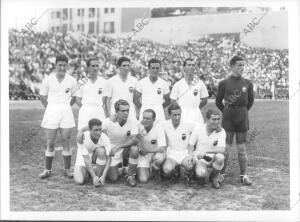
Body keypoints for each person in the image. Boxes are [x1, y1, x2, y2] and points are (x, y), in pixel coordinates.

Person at [77, 99, 139, 187]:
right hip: (111, 150)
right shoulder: (109, 121)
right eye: (123, 111)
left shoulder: (132, 120)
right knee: (113, 178)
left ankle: (130, 176)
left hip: (124, 148)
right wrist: (81, 130)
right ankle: (118, 168)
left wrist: (119, 146)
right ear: (116, 111)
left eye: (127, 110)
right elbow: (94, 126)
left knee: (135, 149)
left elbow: (134, 139)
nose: (126, 113)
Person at [215, 55, 254, 186]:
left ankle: (244, 175)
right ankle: (221, 174)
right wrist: (226, 111)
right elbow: (217, 101)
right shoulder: (224, 83)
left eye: (243, 65)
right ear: (232, 66)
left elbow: (250, 102)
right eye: (239, 65)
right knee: (225, 148)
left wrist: (241, 111)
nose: (241, 68)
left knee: (242, 149)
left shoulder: (248, 83)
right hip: (228, 119)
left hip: (242, 118)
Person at [39, 54, 77, 179]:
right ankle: (47, 170)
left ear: (67, 66)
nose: (62, 67)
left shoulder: (71, 80)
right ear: (55, 65)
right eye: (60, 65)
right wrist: (50, 108)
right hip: (52, 110)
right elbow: (42, 96)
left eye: (64, 65)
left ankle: (67, 170)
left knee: (66, 141)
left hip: (66, 111)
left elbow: (75, 96)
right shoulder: (48, 79)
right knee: (50, 142)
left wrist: (66, 106)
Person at [188, 109, 226, 189]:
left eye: (218, 119)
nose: (216, 122)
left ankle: (214, 177)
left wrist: (206, 150)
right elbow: (191, 145)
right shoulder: (198, 129)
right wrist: (191, 155)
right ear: (207, 119)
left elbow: (222, 149)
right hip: (200, 157)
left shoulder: (221, 131)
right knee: (201, 174)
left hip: (213, 157)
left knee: (221, 157)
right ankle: (195, 173)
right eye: (213, 119)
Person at [170, 58, 208, 127]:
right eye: (189, 65)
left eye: (193, 65)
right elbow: (172, 100)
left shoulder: (200, 83)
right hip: (182, 116)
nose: (191, 67)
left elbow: (205, 99)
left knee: (198, 136)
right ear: (184, 67)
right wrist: (180, 110)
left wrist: (196, 108)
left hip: (196, 116)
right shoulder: (178, 84)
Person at [162, 103, 194, 183]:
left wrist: (218, 128)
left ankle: (189, 174)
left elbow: (201, 129)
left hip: (184, 153)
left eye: (179, 114)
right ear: (169, 115)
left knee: (190, 166)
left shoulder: (188, 124)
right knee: (167, 169)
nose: (177, 117)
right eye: (174, 115)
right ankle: (175, 172)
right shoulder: (164, 124)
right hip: (172, 153)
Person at [74, 118, 111, 187]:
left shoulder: (105, 138)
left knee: (101, 151)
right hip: (84, 157)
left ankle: (98, 176)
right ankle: (91, 174)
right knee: (79, 180)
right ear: (90, 130)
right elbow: (86, 159)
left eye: (100, 129)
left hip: (96, 156)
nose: (98, 132)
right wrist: (94, 176)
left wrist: (103, 176)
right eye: (95, 130)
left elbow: (109, 159)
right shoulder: (82, 138)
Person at [133, 58, 170, 123]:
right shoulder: (141, 82)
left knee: (159, 131)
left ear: (160, 69)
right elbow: (135, 99)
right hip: (145, 111)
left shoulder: (164, 84)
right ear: (149, 69)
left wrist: (159, 106)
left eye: (157, 68)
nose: (155, 70)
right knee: (143, 132)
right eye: (153, 68)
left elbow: (167, 101)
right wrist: (145, 106)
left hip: (159, 112)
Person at [103, 57, 138, 122]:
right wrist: (110, 114)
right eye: (124, 65)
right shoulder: (111, 81)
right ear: (119, 67)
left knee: (132, 131)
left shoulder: (134, 80)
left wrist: (137, 113)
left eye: (128, 65)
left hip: (130, 112)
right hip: (116, 112)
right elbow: (108, 99)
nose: (126, 68)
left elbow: (136, 99)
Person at [76, 58, 107, 130]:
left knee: (99, 134)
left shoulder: (104, 82)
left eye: (97, 66)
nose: (95, 68)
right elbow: (78, 100)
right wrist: (87, 107)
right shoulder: (82, 82)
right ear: (88, 68)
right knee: (84, 134)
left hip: (99, 111)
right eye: (93, 66)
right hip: (85, 111)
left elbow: (104, 99)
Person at [136, 109, 166, 183]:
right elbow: (137, 144)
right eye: (144, 118)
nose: (145, 120)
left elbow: (162, 148)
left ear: (154, 119)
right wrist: (140, 149)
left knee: (159, 158)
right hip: (143, 156)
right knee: (143, 180)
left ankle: (156, 170)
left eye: (148, 118)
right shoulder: (139, 127)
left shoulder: (159, 127)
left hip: (155, 154)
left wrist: (147, 150)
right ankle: (148, 169)